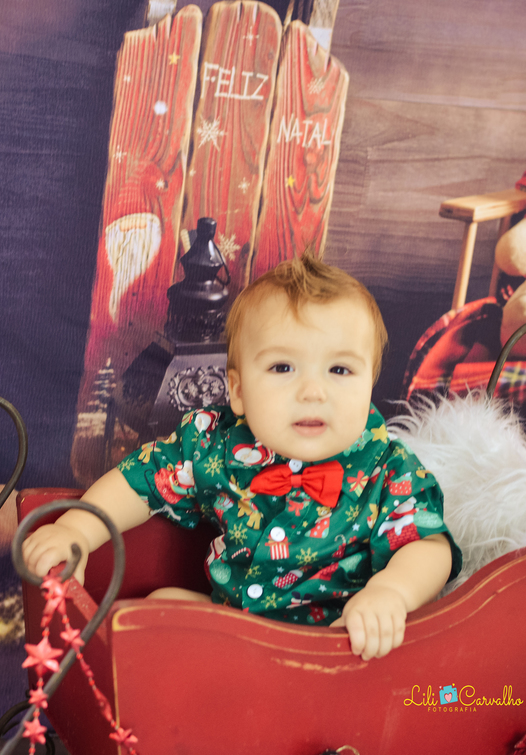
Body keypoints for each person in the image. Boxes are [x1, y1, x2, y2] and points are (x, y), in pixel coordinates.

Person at [24, 253, 461, 659]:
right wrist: (77, 530)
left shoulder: (388, 468)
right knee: (157, 609)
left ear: (370, 384)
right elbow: (140, 480)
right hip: (233, 628)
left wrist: (391, 592)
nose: (313, 392)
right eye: (282, 368)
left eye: (340, 370)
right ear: (237, 390)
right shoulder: (215, 444)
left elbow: (428, 545)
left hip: (332, 647)